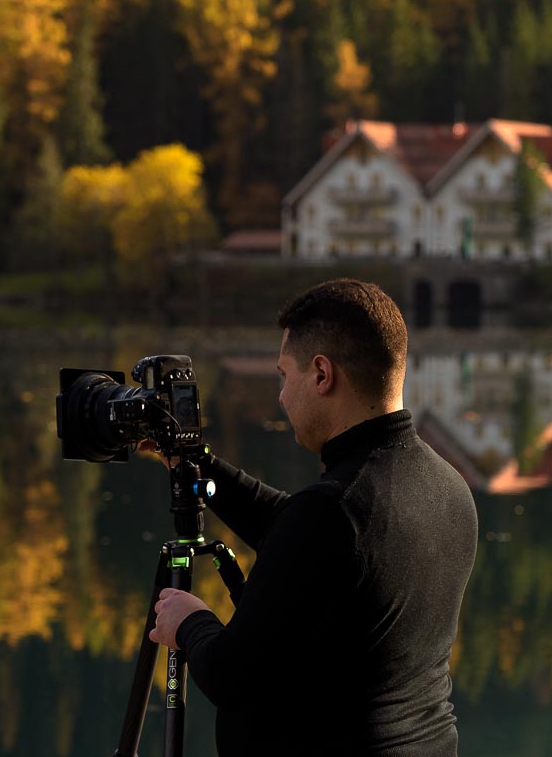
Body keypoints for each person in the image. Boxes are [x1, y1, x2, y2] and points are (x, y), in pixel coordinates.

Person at [149, 278, 479, 756]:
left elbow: (229, 676)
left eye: (285, 376)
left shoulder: (333, 511)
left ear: (322, 374)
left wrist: (190, 621)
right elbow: (301, 539)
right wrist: (195, 466)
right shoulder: (448, 487)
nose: (281, 396)